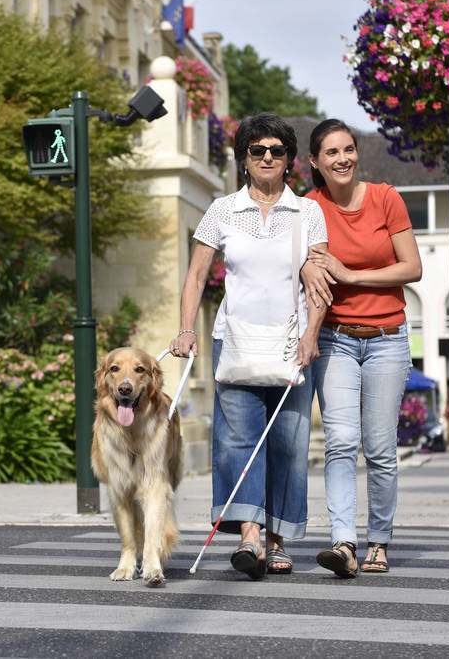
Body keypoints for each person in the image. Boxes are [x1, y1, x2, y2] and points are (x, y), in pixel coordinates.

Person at [170, 113, 328, 579]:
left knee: (288, 442)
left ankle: (278, 541)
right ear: (244, 158)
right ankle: (250, 537)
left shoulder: (309, 213)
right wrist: (185, 330)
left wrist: (312, 335)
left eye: (276, 151)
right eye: (257, 150)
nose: (266, 157)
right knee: (238, 440)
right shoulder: (222, 210)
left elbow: (319, 283)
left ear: (289, 161)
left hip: (291, 344)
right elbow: (197, 275)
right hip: (234, 340)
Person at [303, 118, 422, 578]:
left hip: (387, 340)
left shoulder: (385, 198)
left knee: (379, 448)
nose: (342, 159)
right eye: (331, 153)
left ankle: (379, 540)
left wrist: (352, 276)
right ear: (315, 162)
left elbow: (411, 268)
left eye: (348, 149)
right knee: (340, 442)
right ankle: (343, 542)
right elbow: (304, 267)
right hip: (335, 338)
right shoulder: (311, 208)